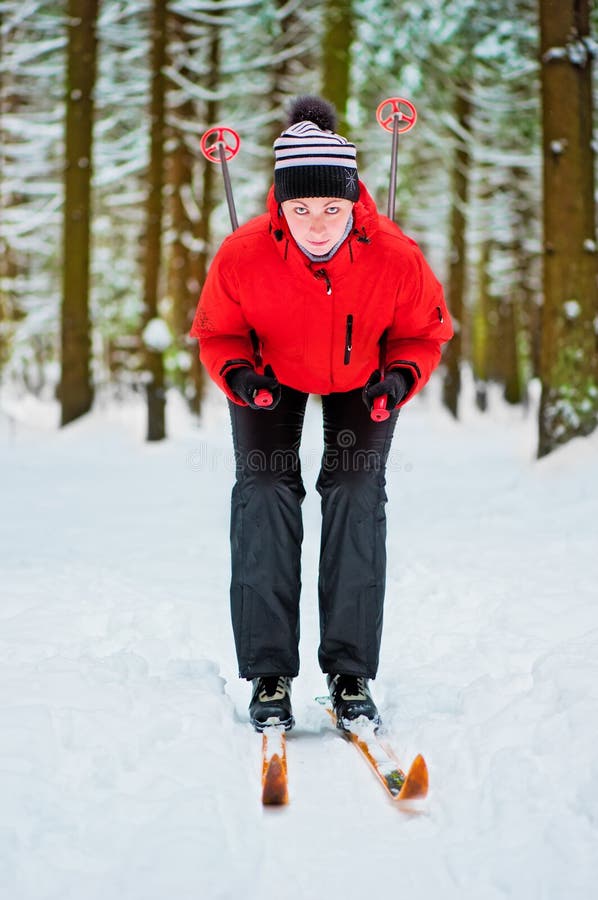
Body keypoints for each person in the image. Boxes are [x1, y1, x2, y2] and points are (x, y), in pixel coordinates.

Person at [191, 96, 453, 733]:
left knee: (356, 488)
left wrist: (398, 378)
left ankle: (350, 671)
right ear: (278, 205)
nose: (315, 224)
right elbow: (218, 332)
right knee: (264, 488)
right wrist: (239, 375)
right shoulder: (243, 253)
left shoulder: (395, 255)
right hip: (268, 379)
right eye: (300, 209)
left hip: (364, 378)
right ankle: (269, 673)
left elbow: (424, 332)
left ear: (354, 200)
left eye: (331, 208)